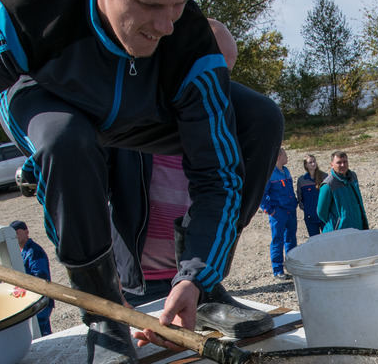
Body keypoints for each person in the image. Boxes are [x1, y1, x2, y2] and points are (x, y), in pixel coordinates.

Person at [0, 0, 283, 364]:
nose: (165, 25)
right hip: (46, 97)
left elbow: (218, 175)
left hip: (140, 107)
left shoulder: (188, 39)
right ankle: (103, 308)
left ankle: (202, 290)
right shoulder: (28, 6)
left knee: (258, 119)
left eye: (179, 4)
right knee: (66, 141)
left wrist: (196, 275)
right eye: (148, 4)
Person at [105, 18, 275, 338]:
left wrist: (202, 277)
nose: (218, 90)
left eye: (227, 77)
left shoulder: (223, 129)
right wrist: (105, 288)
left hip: (195, 280)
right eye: (212, 75)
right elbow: (85, 195)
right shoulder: (129, 120)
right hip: (135, 285)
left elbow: (222, 196)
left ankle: (206, 290)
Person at [10, 220, 54, 336]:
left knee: (40, 334)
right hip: (34, 300)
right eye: (12, 234)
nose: (15, 237)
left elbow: (40, 277)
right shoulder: (22, 252)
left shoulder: (34, 251)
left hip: (40, 300)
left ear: (26, 232)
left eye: (17, 233)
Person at [260, 147, 298, 280]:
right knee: (278, 240)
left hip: (290, 210)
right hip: (278, 213)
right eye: (285, 155)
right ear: (278, 158)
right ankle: (277, 270)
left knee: (291, 238)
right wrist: (270, 211)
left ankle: (292, 266)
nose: (287, 158)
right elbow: (261, 195)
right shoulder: (270, 174)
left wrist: (294, 202)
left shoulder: (286, 171)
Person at [317, 151, 369, 232]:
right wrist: (337, 222)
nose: (343, 165)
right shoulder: (328, 185)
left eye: (345, 162)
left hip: (357, 227)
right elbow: (321, 212)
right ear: (331, 165)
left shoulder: (352, 177)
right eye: (339, 162)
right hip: (339, 232)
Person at [296, 154, 327, 237]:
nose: (313, 164)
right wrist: (306, 209)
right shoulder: (302, 180)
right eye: (310, 162)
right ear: (306, 165)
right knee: (314, 241)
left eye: (314, 161)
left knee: (327, 240)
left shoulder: (324, 176)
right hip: (310, 217)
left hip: (324, 216)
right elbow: (300, 197)